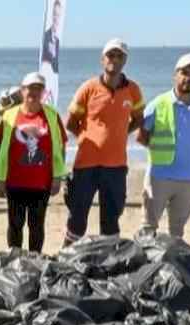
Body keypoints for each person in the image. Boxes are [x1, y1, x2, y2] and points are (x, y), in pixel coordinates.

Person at [64, 38, 144, 241]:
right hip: (86, 165)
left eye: (119, 56)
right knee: (77, 219)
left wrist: (120, 133)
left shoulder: (133, 90)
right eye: (110, 55)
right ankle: (66, 259)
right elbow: (70, 122)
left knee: (110, 221)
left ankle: (109, 264)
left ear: (125, 60)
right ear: (102, 59)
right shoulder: (88, 88)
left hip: (116, 166)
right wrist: (86, 137)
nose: (114, 60)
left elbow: (138, 119)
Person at [137, 53, 190, 239]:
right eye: (184, 72)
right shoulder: (158, 103)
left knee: (177, 230)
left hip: (188, 178)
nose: (189, 77)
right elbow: (141, 136)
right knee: (148, 228)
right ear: (175, 75)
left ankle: (172, 265)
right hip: (159, 177)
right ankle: (146, 265)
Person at [0, 72, 67, 253]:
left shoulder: (51, 115)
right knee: (15, 224)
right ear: (22, 90)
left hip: (41, 183)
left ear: (43, 92)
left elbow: (60, 146)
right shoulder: (9, 115)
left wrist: (58, 176)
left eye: (38, 88)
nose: (33, 92)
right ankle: (15, 258)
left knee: (37, 225)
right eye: (29, 88)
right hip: (14, 181)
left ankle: (35, 259)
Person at [40, 0, 64, 75]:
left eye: (58, 15)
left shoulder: (57, 40)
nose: (56, 18)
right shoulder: (46, 37)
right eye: (54, 14)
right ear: (51, 15)